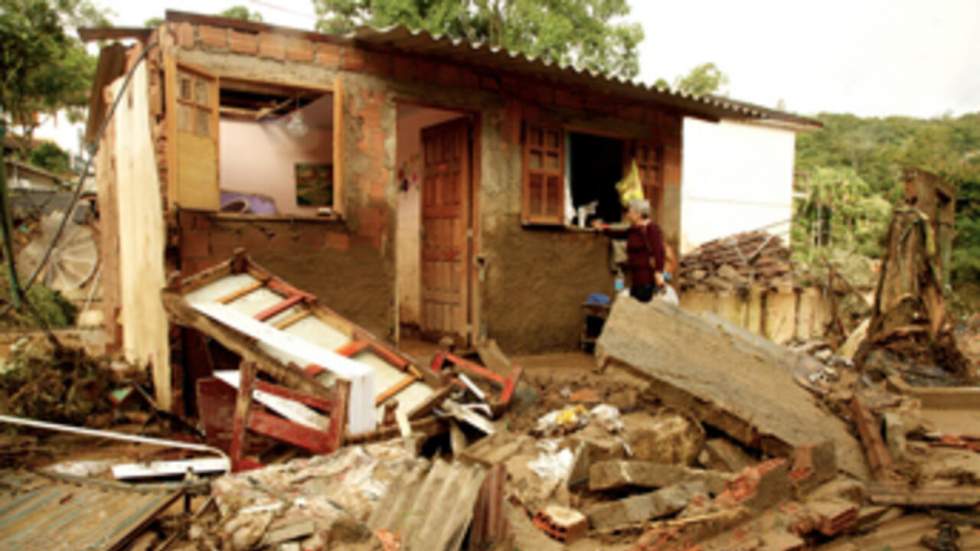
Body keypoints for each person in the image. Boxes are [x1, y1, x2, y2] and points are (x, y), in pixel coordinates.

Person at [593, 199, 666, 303]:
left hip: (646, 279)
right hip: (635, 279)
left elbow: (659, 252)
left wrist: (658, 272)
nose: (628, 215)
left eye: (630, 212)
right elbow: (619, 234)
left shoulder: (651, 229)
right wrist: (603, 229)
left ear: (638, 214)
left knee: (643, 308)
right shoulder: (634, 229)